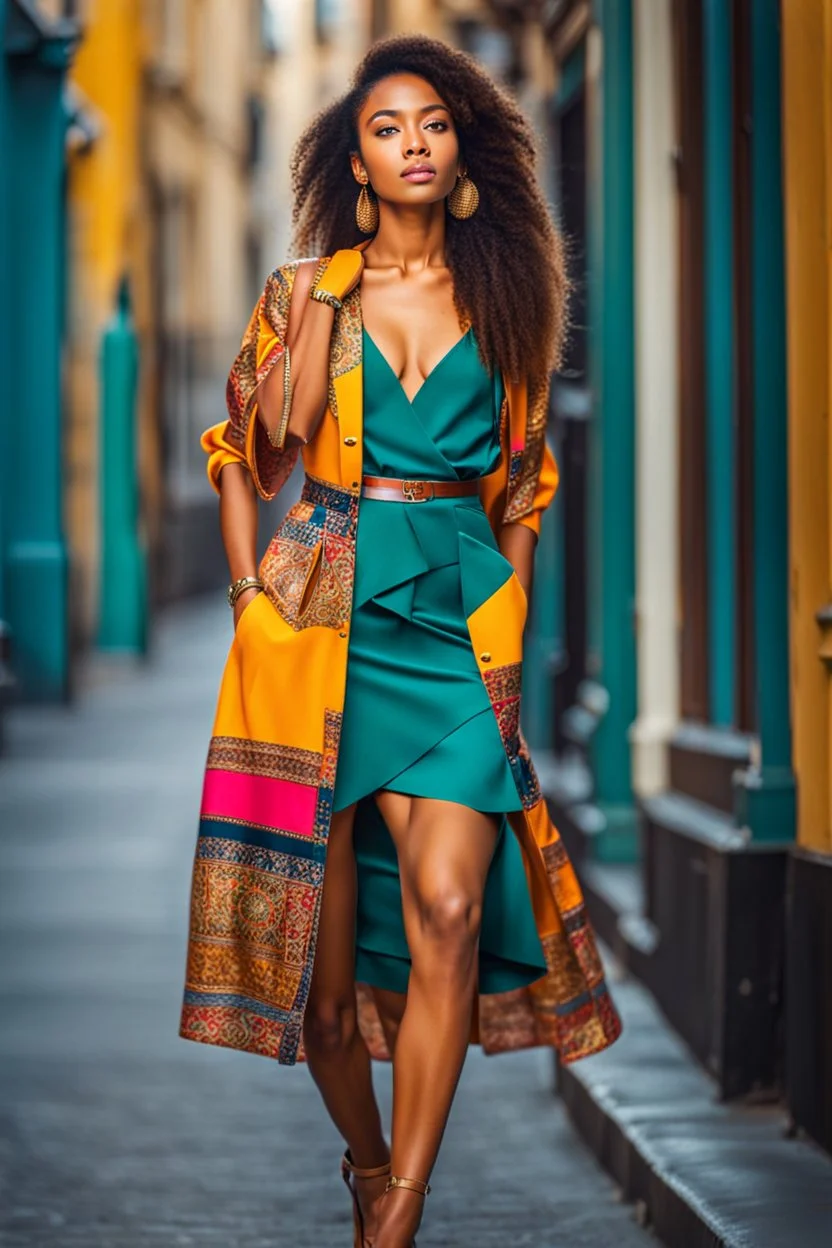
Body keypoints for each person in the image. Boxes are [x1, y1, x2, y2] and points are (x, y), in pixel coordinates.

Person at [180, 34, 621, 1248]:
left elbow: (520, 488)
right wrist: (245, 600)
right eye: (388, 128)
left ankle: (400, 1217)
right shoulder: (307, 291)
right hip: (324, 626)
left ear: (460, 148)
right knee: (323, 1008)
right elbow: (248, 452)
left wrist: (515, 617)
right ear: (358, 163)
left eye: (433, 123)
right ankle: (368, 1164)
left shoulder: (508, 298)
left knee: (447, 912)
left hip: (456, 628)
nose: (414, 143)